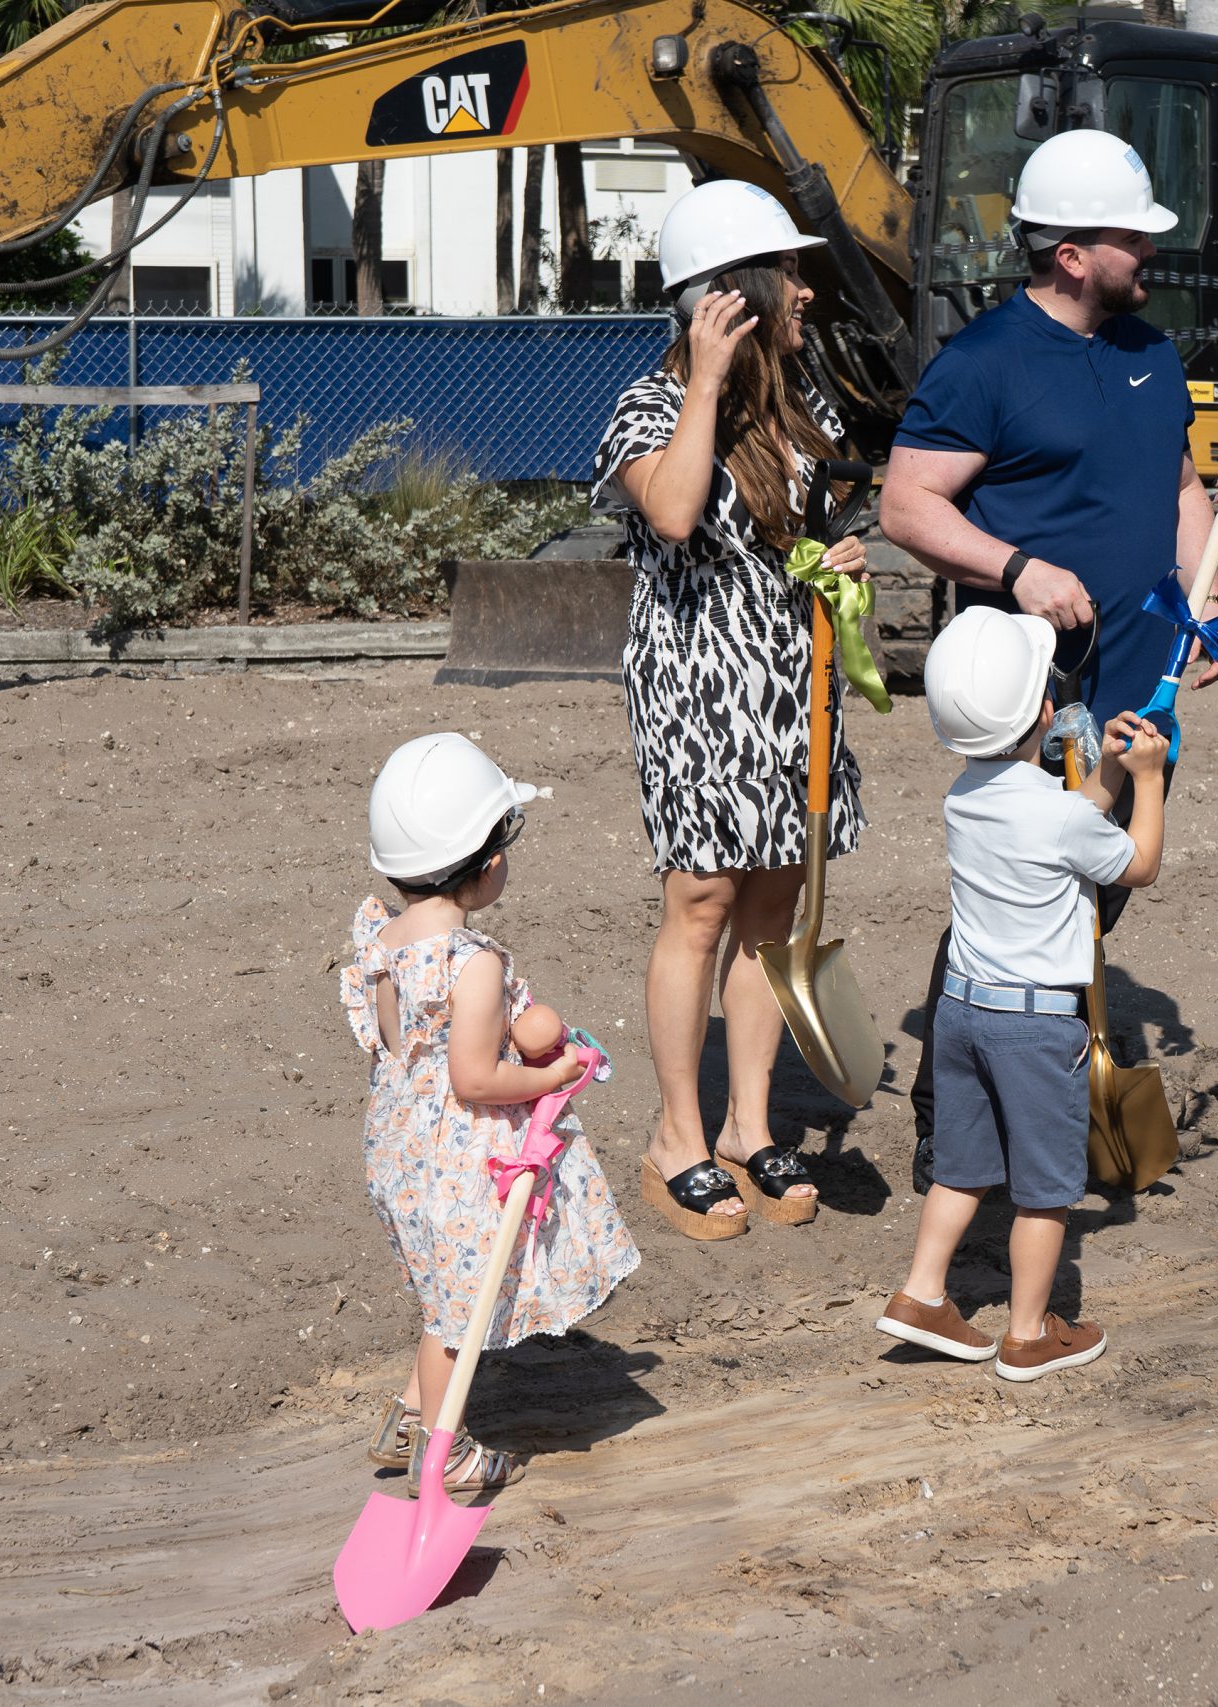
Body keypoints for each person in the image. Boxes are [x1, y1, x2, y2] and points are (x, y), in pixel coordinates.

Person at [878, 128, 1218, 1186]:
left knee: (1098, 893)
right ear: (1070, 253)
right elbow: (906, 505)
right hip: (1042, 705)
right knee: (1012, 909)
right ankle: (953, 1111)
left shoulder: (1150, 353)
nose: (1150, 254)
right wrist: (1017, 568)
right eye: (1132, 237)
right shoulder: (982, 363)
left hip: (1139, 691)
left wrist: (1201, 608)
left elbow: (1175, 492)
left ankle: (1049, 1087)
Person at [593, 179, 866, 1239]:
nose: (806, 290)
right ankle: (676, 1137)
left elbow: (821, 515)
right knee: (700, 904)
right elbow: (669, 513)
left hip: (794, 686)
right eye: (788, 273)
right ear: (732, 296)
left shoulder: (807, 404)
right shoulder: (649, 405)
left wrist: (836, 551)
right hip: (699, 692)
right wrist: (705, 379)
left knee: (774, 907)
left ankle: (749, 1127)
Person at [876, 607, 1170, 1381]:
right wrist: (1145, 780)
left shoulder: (965, 795)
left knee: (962, 1168)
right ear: (1045, 709)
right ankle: (1029, 1333)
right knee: (1044, 1189)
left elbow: (1069, 818)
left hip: (962, 1013)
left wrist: (1101, 773)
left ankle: (920, 1292)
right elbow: (1136, 865)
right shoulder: (1054, 813)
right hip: (1035, 1029)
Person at [344, 733, 642, 1490]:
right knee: (459, 1314)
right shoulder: (473, 962)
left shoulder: (383, 939)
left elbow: (398, 1044)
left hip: (399, 1151)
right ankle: (446, 1453)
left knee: (447, 1290)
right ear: (485, 862)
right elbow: (475, 1078)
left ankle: (406, 1418)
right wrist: (555, 1076)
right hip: (453, 1162)